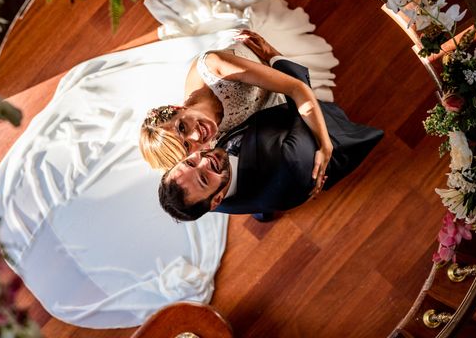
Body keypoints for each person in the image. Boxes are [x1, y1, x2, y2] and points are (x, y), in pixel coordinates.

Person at [157, 57, 384, 221]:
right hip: (329, 133)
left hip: (265, 187)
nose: (204, 160)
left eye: (189, 161)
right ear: (216, 201)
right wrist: (272, 56)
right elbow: (298, 91)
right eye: (204, 179)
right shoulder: (287, 159)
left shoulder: (199, 201)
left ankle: (263, 211)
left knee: (261, 202)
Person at [140, 29, 335, 186]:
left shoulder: (214, 67)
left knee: (325, 141)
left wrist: (325, 146)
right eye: (187, 146)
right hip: (271, 117)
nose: (197, 136)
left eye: (182, 127)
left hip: (279, 79)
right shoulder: (206, 148)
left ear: (177, 108)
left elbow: (295, 87)